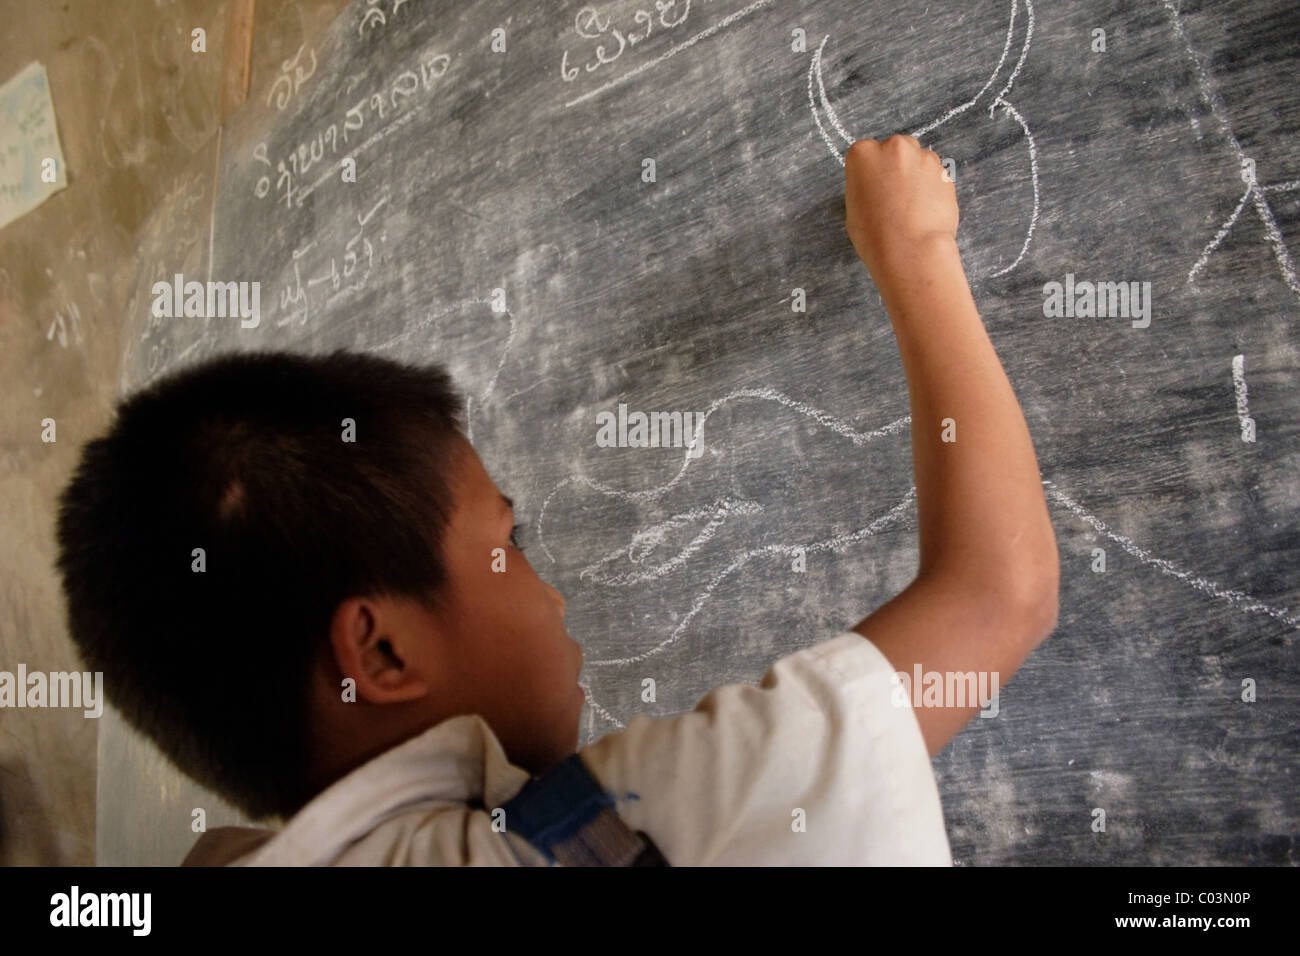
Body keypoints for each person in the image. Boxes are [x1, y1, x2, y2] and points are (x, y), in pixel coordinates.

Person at [55, 135, 1058, 866]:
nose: (550, 585)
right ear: (381, 652)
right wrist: (917, 249)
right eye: (511, 543)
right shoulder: (586, 835)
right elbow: (998, 594)